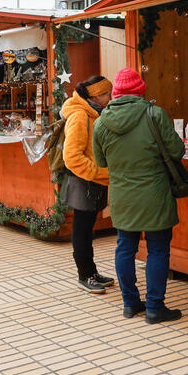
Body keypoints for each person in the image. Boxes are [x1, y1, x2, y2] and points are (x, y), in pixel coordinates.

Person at [93, 68, 184, 323]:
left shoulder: (101, 122)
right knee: (157, 249)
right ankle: (155, 307)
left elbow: (100, 161)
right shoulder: (154, 115)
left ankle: (130, 303)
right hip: (155, 193)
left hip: (122, 195)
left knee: (125, 247)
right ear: (140, 90)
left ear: (115, 93)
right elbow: (177, 150)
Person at [61, 75, 114, 293]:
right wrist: (97, 173)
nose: (110, 98)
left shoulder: (95, 114)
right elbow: (71, 156)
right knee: (82, 230)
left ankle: (91, 271)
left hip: (92, 180)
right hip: (84, 181)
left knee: (87, 228)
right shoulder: (81, 116)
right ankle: (85, 275)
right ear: (96, 96)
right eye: (106, 94)